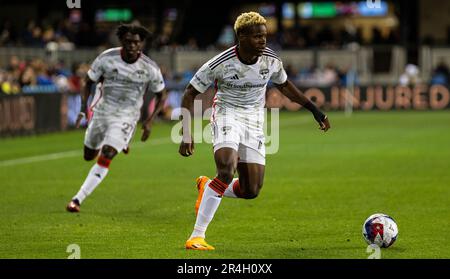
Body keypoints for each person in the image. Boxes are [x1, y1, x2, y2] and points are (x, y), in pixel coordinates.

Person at [179, 12, 331, 250]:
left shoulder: (270, 60)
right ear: (241, 36)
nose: (263, 41)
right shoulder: (220, 63)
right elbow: (189, 93)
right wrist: (186, 134)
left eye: (264, 36)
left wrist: (314, 110)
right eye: (257, 36)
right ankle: (197, 236)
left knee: (251, 190)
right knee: (227, 170)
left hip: (254, 121)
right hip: (227, 114)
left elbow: (285, 86)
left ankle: (209, 186)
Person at [66, 24, 167, 212]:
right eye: (128, 42)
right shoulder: (106, 59)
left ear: (141, 44)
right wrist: (82, 108)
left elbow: (162, 94)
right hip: (102, 111)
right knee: (88, 155)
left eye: (136, 42)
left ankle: (77, 199)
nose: (132, 46)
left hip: (127, 116)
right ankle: (120, 141)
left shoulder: (149, 67)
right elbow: (88, 82)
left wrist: (150, 120)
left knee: (108, 153)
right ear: (122, 41)